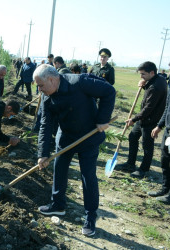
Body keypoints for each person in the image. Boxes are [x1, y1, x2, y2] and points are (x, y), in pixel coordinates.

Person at [35, 64, 115, 237]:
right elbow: (45, 125)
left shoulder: (79, 82)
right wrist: (43, 154)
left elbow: (109, 91)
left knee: (88, 176)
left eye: (40, 85)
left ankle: (90, 216)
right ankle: (58, 205)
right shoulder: (47, 97)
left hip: (89, 136)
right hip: (66, 137)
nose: (39, 89)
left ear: (51, 79)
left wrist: (103, 119)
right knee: (60, 169)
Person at [116, 62, 167, 178]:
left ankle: (144, 169)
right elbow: (150, 93)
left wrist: (133, 119)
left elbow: (149, 107)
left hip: (151, 119)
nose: (141, 77)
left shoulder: (156, 86)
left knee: (147, 145)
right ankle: (130, 164)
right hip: (144, 118)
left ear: (152, 72)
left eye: (143, 74)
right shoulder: (158, 79)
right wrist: (144, 85)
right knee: (133, 136)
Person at [150, 87, 170, 204]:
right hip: (168, 131)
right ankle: (165, 188)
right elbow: (167, 107)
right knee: (165, 160)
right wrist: (159, 126)